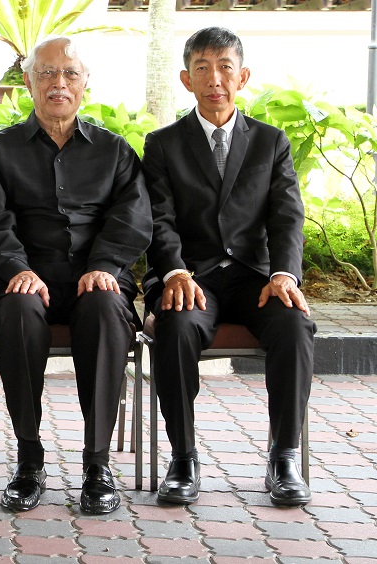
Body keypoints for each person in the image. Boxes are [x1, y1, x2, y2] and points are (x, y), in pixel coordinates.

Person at [0, 37, 152, 514]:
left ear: (85, 84)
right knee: (16, 310)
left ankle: (97, 464)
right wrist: (18, 268)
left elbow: (133, 217)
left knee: (107, 308)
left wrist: (103, 265)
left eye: (70, 74)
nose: (59, 83)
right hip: (21, 279)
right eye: (47, 74)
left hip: (94, 277)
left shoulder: (114, 151)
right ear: (27, 82)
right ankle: (29, 459)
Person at [141, 26, 315, 507]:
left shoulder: (269, 141)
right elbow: (158, 218)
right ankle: (183, 458)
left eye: (225, 68)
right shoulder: (162, 144)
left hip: (256, 277)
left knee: (295, 325)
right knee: (175, 327)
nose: (215, 78)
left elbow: (287, 217)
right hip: (190, 276)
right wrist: (174, 270)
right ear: (186, 78)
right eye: (203, 68)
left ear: (243, 76)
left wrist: (285, 273)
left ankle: (284, 458)